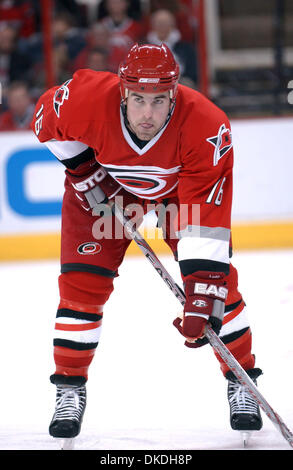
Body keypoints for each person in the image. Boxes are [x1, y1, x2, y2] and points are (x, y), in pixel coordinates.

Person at [31, 43, 263, 443]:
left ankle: (241, 381)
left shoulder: (206, 125)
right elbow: (44, 121)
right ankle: (69, 388)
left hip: (178, 196)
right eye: (138, 99)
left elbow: (203, 219)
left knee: (219, 290)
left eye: (159, 101)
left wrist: (202, 291)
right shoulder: (87, 99)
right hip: (105, 193)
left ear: (175, 92)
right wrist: (82, 167)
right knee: (82, 288)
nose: (148, 114)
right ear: (123, 91)